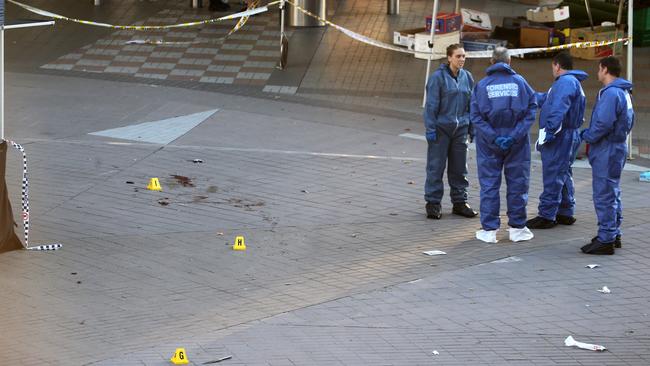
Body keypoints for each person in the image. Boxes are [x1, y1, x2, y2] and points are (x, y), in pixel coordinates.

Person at [470, 47, 537, 243]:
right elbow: (531, 109)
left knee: (489, 185)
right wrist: (514, 136)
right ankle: (517, 228)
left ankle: (489, 231)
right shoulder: (520, 82)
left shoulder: (482, 86)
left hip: (489, 144)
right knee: (518, 184)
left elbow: (475, 116)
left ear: (491, 62)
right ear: (510, 62)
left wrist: (493, 137)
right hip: (517, 143)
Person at [579, 56, 634, 255]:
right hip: (616, 147)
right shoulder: (623, 91)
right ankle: (612, 233)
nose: (597, 72)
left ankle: (606, 238)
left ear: (604, 69)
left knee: (604, 194)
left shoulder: (611, 94)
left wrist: (587, 135)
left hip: (607, 149)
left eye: (598, 69)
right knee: (612, 191)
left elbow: (603, 124)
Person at [527, 52, 588, 229]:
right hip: (569, 135)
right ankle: (565, 211)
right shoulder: (570, 82)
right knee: (563, 173)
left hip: (561, 137)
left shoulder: (565, 83)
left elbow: (558, 108)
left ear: (557, 65)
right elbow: (547, 99)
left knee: (553, 174)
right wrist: (528, 95)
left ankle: (547, 215)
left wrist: (549, 132)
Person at [423, 44, 478, 220]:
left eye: (463, 56)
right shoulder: (437, 78)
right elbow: (431, 106)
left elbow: (471, 105)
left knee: (460, 169)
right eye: (458, 56)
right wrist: (431, 128)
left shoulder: (467, 77)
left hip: (460, 129)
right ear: (449, 58)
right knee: (435, 167)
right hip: (440, 130)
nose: (461, 59)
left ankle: (460, 202)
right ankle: (433, 203)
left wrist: (471, 127)